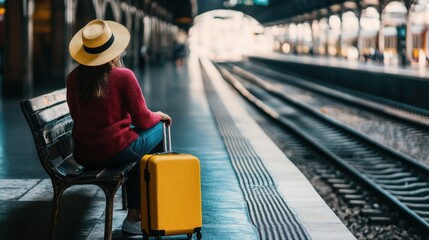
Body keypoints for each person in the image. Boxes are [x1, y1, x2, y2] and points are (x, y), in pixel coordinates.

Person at [66, 19, 171, 236]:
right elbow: (143, 119)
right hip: (115, 151)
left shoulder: (73, 78)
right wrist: (159, 115)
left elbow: (76, 115)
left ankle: (139, 212)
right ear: (113, 51)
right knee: (158, 128)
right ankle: (139, 214)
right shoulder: (123, 76)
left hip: (83, 154)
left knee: (138, 150)